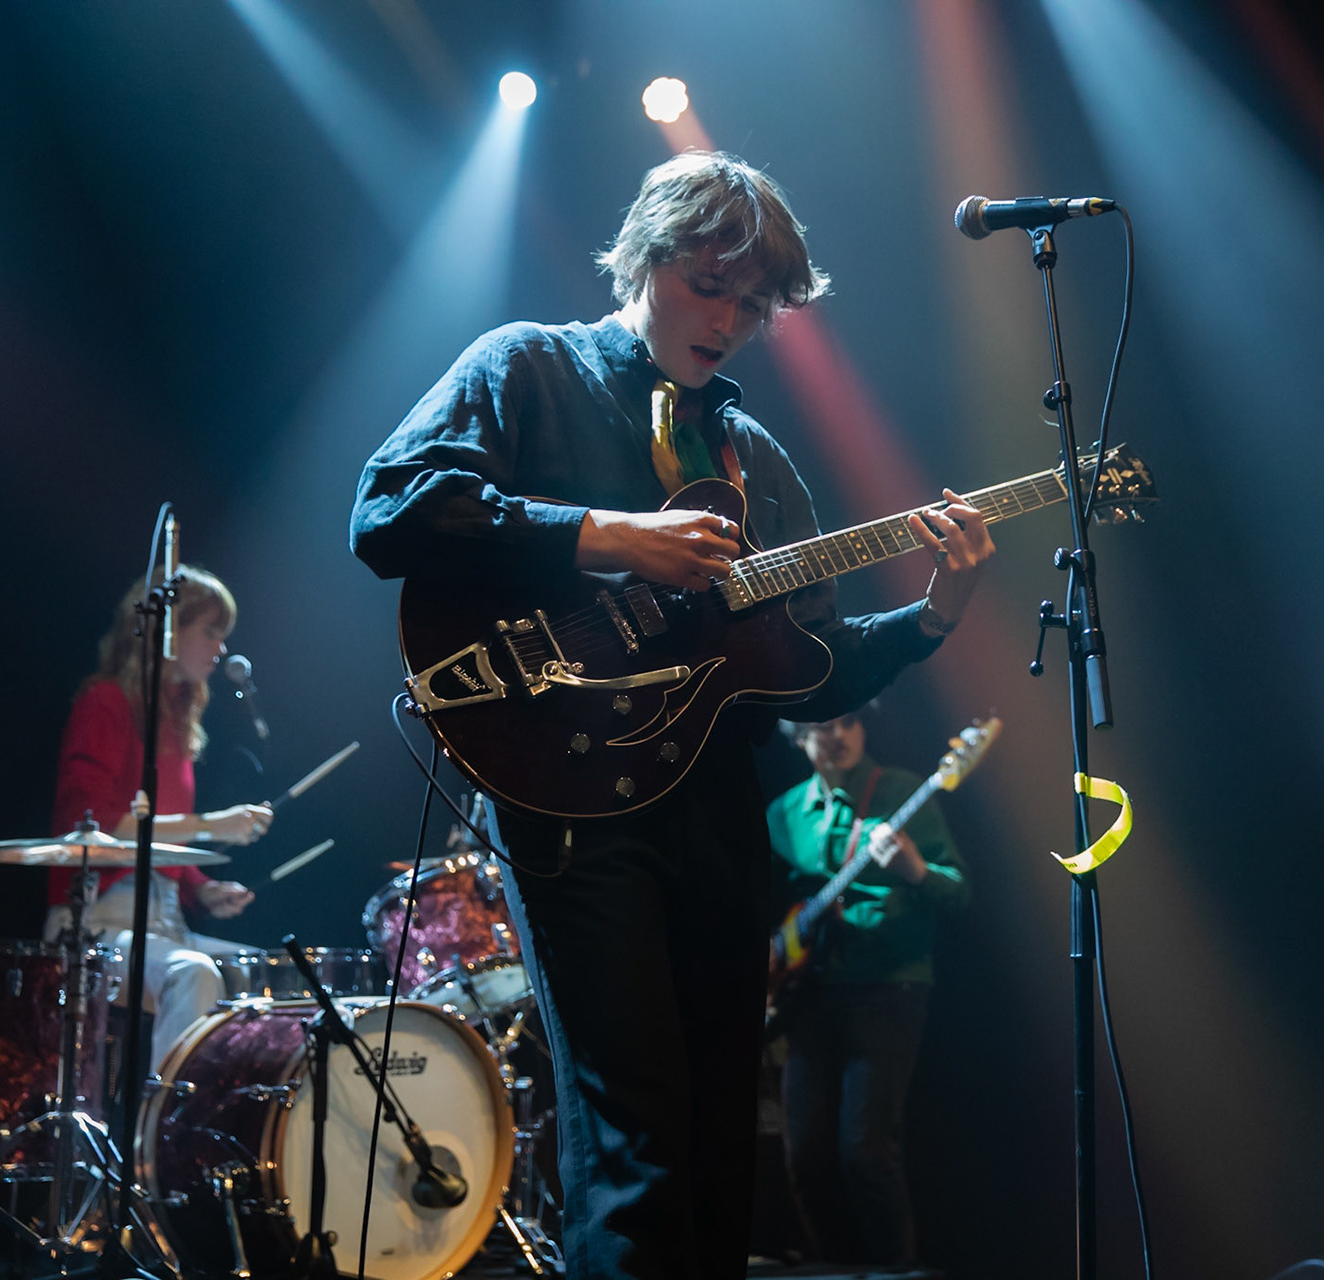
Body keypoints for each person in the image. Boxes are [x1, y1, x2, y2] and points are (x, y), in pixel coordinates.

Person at [350, 151, 992, 1278]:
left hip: (713, 809)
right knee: (636, 1135)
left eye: (753, 302)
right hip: (569, 801)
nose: (731, 319)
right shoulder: (528, 368)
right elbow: (391, 508)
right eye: (710, 284)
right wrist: (602, 534)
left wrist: (933, 617)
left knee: (713, 1151)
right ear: (643, 256)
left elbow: (814, 673)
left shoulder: (759, 462)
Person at [47, 566, 273, 1068]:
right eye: (209, 632)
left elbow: (161, 846)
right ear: (167, 629)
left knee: (264, 974)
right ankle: (163, 1134)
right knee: (193, 972)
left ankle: (237, 1127)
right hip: (96, 920)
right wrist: (213, 825)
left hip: (165, 920)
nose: (220, 649)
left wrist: (200, 888)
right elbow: (96, 823)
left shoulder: (177, 726)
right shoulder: (105, 702)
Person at [765, 711, 968, 1263]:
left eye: (849, 721)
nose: (838, 734)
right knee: (804, 1154)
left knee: (866, 1151)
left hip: (889, 985)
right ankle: (833, 1269)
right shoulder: (782, 814)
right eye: (823, 725)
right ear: (800, 737)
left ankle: (895, 1272)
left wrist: (914, 869)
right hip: (808, 996)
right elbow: (766, 905)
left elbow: (957, 892)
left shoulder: (902, 791)